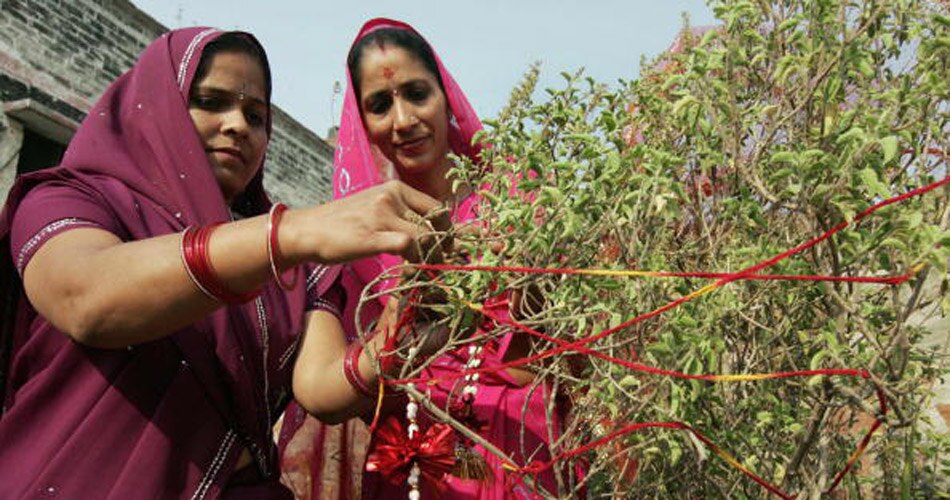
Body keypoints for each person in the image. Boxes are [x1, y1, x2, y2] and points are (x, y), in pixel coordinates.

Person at [0, 28, 450, 499]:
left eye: (255, 116)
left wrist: (401, 332)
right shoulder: (72, 200)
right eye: (211, 102)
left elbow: (320, 389)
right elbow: (85, 298)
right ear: (156, 107)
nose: (238, 125)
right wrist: (289, 233)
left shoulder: (293, 265)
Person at [279, 18, 573, 499]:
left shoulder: (522, 208)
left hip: (525, 461)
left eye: (416, 93)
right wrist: (402, 322)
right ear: (362, 124)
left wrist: (521, 279)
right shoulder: (353, 239)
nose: (402, 120)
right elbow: (319, 392)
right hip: (412, 473)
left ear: (445, 97)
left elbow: (561, 359)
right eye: (379, 104)